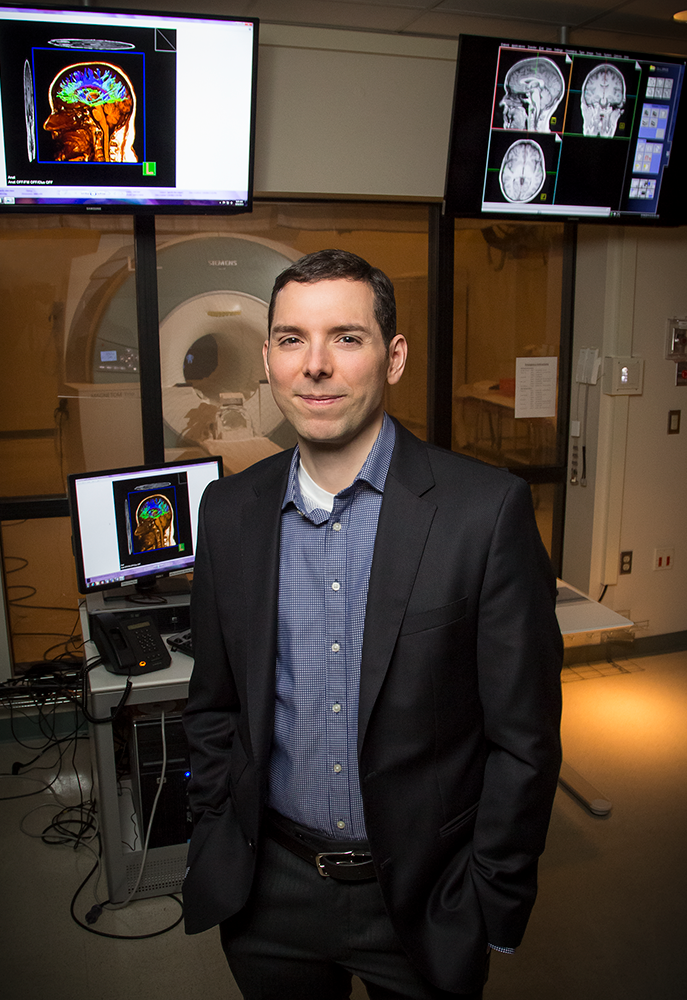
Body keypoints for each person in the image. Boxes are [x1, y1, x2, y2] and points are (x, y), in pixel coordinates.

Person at [182, 249, 563, 1000]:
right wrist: (215, 829)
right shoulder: (229, 514)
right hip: (270, 894)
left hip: (424, 898)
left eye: (346, 338)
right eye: (292, 339)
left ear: (392, 358)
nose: (315, 365)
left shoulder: (482, 514)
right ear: (268, 359)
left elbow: (524, 741)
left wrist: (490, 896)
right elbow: (215, 705)